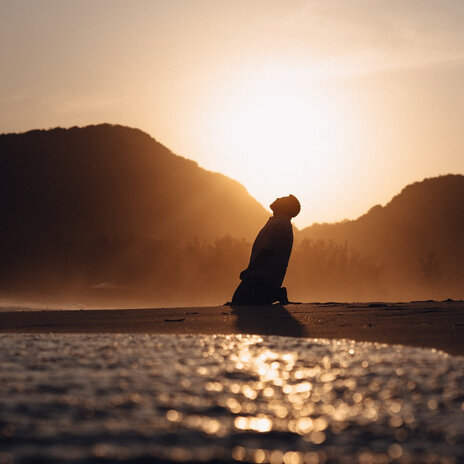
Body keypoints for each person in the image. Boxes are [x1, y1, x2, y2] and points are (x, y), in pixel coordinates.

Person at [231, 194, 300, 305]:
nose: (277, 199)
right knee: (240, 302)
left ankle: (275, 293)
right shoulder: (278, 222)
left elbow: (268, 251)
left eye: (282, 200)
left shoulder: (280, 224)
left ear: (287, 208)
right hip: (261, 276)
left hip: (262, 278)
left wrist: (249, 269)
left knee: (240, 302)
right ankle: (275, 293)